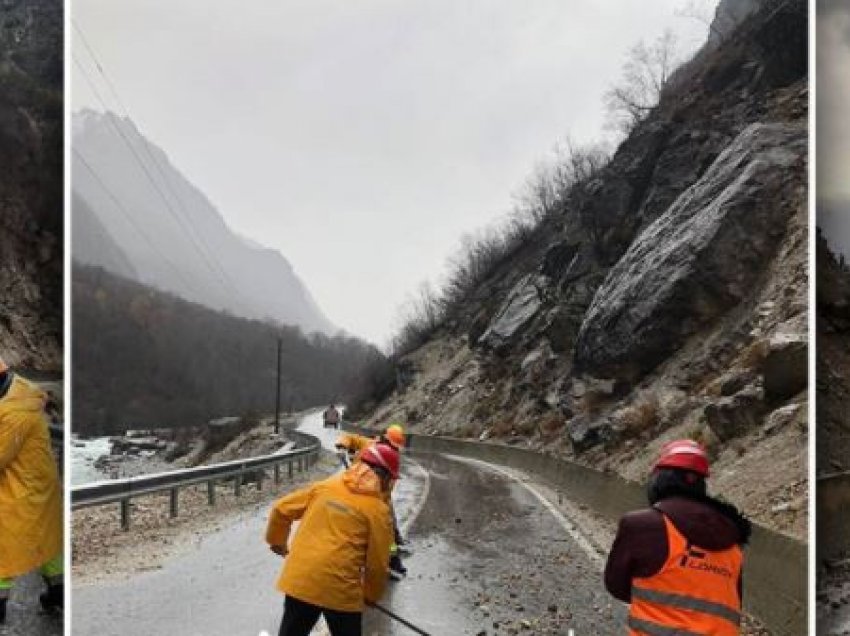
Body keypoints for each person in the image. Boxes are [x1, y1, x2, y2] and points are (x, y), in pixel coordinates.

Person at [604, 439, 751, 636]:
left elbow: (616, 585)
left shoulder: (642, 525)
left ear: (659, 481)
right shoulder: (733, 540)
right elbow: (733, 601)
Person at [266, 443, 398, 636]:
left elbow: (281, 509)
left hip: (302, 580)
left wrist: (277, 541)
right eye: (392, 480)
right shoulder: (377, 510)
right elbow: (377, 562)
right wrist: (371, 595)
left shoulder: (326, 486)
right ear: (385, 476)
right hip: (340, 590)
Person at [0, 358, 64, 623]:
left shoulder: (14, 413)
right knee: (46, 544)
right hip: (39, 487)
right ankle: (57, 597)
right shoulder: (19, 393)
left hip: (22, 491)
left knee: (4, 550)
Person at [335, 424, 410, 579]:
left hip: (378, 498)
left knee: (388, 530)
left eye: (395, 447)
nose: (392, 449)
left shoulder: (391, 459)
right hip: (353, 489)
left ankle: (394, 559)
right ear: (384, 438)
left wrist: (380, 507)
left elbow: (387, 488)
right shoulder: (368, 444)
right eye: (390, 445)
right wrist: (342, 446)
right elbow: (350, 437)